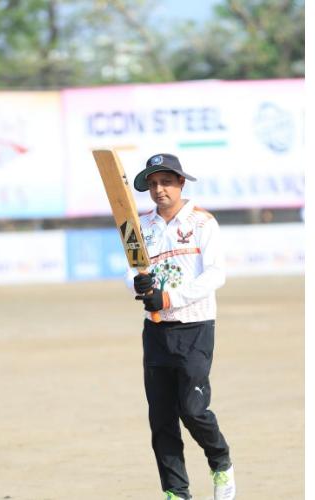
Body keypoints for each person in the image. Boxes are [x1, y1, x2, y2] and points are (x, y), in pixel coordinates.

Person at [127, 153, 236, 500]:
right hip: (156, 331)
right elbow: (131, 271)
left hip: (194, 327)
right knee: (161, 418)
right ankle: (176, 492)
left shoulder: (203, 222)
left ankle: (220, 461)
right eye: (153, 184)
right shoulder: (138, 226)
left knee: (192, 410)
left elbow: (216, 274)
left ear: (180, 183)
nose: (159, 189)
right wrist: (137, 285)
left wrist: (169, 298)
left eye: (166, 182)